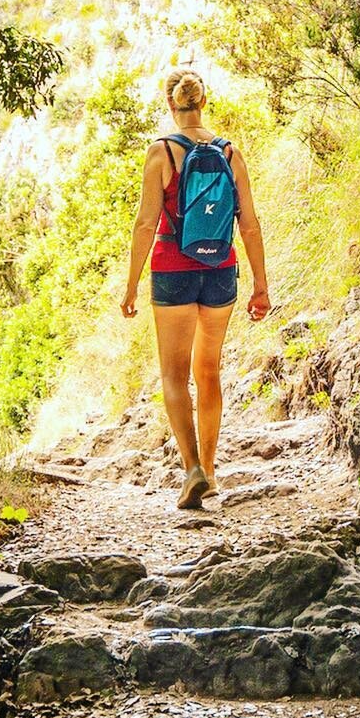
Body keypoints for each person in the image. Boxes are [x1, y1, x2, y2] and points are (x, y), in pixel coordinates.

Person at [121, 68, 271, 509]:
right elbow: (250, 224)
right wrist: (260, 286)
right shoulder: (230, 152)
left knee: (174, 374)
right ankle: (211, 468)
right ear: (204, 102)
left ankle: (192, 471)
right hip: (221, 270)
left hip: (173, 270)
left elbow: (146, 223)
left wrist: (131, 285)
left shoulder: (161, 152)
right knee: (209, 372)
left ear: (170, 105)